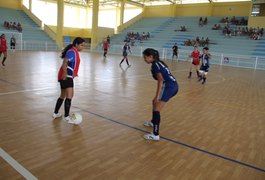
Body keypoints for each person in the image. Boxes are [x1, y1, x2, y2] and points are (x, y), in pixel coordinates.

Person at [142, 48, 179, 141]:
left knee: (157, 108)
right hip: (173, 86)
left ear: (151, 56)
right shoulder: (159, 62)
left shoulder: (155, 65)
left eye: (145, 57)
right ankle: (153, 122)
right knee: (154, 103)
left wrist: (157, 96)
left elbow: (161, 80)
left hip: (169, 87)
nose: (144, 59)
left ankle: (155, 134)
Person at [52, 37, 85, 124]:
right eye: (81, 45)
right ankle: (67, 117)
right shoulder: (72, 52)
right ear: (76, 45)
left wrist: (74, 73)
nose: (83, 47)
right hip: (66, 77)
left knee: (63, 95)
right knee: (69, 96)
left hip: (64, 76)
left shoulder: (73, 52)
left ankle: (55, 113)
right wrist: (65, 73)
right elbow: (65, 62)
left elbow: (71, 64)